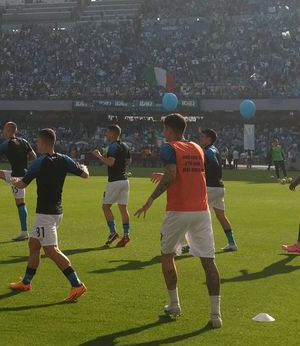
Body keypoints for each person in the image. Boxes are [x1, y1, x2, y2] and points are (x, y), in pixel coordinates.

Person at [134, 113, 222, 329]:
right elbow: (187, 172)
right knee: (208, 261)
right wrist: (164, 174)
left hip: (178, 210)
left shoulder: (168, 147)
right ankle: (215, 315)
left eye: (164, 128)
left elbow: (173, 174)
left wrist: (150, 199)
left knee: (167, 255)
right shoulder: (197, 148)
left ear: (170, 130)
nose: (163, 132)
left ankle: (174, 305)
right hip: (201, 211)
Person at [8, 128, 90, 301]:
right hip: (56, 212)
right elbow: (85, 175)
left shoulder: (39, 162)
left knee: (51, 250)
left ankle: (77, 284)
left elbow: (22, 184)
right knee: (34, 244)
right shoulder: (65, 159)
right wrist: (84, 167)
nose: (36, 145)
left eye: (38, 142)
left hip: (45, 214)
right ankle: (26, 282)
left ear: (44, 143)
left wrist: (14, 181)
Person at [0, 121, 35, 241]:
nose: (3, 131)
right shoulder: (24, 141)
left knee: (20, 203)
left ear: (8, 130)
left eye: (4, 129)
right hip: (24, 174)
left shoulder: (7, 143)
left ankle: (25, 232)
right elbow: (33, 156)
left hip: (16, 177)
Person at [92, 124, 132, 247]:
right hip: (125, 181)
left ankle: (113, 232)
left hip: (114, 181)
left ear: (112, 133)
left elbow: (110, 163)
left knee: (106, 207)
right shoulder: (124, 145)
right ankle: (126, 235)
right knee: (123, 209)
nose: (106, 134)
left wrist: (98, 155)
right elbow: (128, 161)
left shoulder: (113, 146)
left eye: (107, 132)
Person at [199, 128, 237, 252]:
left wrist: (203, 172)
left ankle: (194, 244)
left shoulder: (208, 151)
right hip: (219, 187)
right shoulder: (215, 149)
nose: (200, 138)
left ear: (209, 139)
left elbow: (213, 164)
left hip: (210, 187)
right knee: (221, 216)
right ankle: (232, 243)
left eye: (203, 136)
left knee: (198, 215)